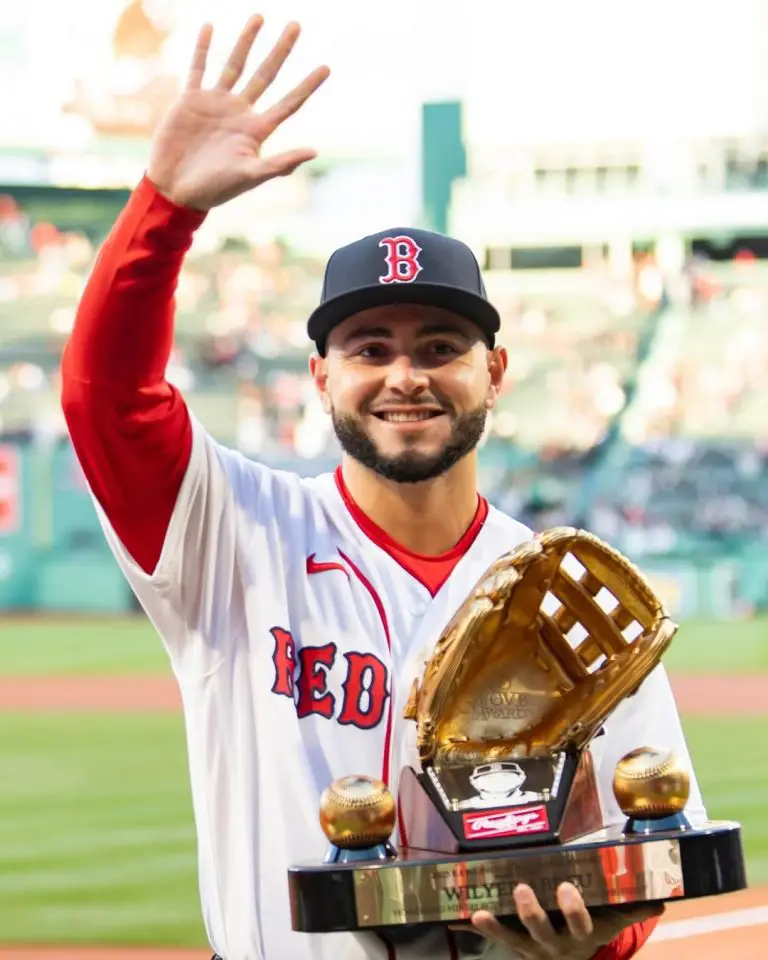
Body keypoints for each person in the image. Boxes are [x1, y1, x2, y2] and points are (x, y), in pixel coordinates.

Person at [61, 15, 706, 960]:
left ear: (496, 371)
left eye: (441, 347)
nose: (406, 376)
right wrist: (164, 208)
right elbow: (106, 397)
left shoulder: (564, 597)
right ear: (321, 376)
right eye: (370, 349)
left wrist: (596, 940)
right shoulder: (233, 530)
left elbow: (640, 856)